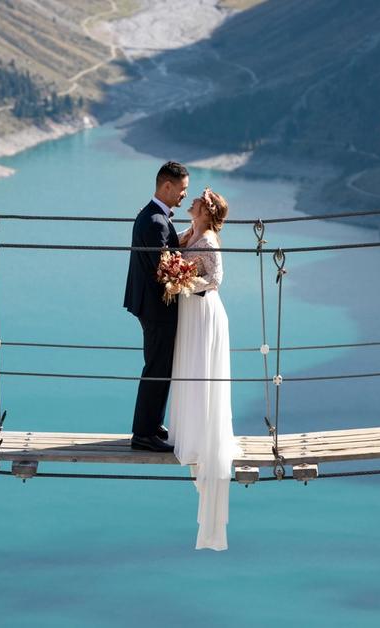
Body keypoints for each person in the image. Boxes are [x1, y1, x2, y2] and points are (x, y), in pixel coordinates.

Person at [169, 187, 240, 551]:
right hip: (190, 314)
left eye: (197, 200)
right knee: (190, 373)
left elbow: (216, 281)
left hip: (205, 314)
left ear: (206, 212)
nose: (191, 201)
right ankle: (190, 433)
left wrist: (184, 283)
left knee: (202, 376)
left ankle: (202, 439)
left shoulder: (209, 239)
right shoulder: (189, 233)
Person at [124, 161, 189, 452]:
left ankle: (153, 425)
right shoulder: (155, 221)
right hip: (156, 308)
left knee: (161, 365)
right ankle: (143, 434)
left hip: (150, 306)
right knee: (156, 367)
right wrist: (194, 275)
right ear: (167, 186)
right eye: (182, 189)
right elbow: (163, 269)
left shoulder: (153, 216)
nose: (184, 195)